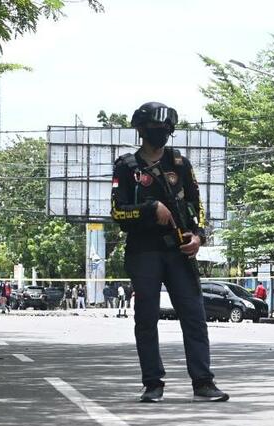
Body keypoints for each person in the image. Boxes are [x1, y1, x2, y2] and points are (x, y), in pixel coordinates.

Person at [111, 101, 227, 402]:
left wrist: (199, 237)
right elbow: (117, 212)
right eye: (153, 129)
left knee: (194, 317)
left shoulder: (180, 164)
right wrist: (151, 209)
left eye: (164, 130)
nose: (159, 134)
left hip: (179, 251)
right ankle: (153, 382)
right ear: (140, 130)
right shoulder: (127, 167)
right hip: (143, 252)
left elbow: (197, 206)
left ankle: (203, 381)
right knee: (146, 318)